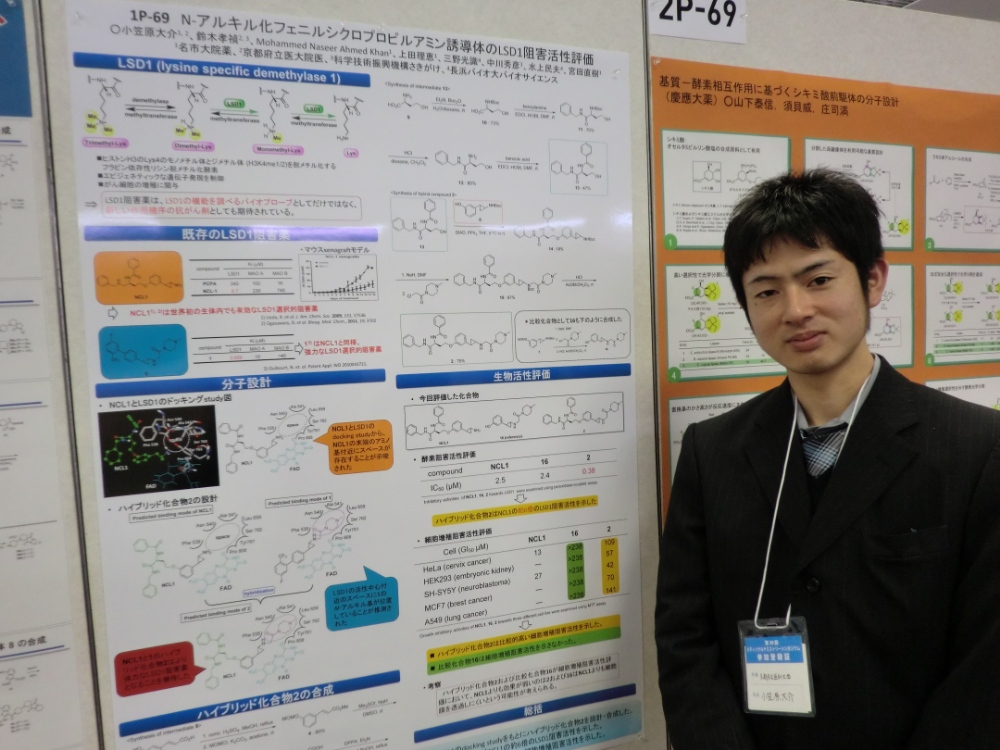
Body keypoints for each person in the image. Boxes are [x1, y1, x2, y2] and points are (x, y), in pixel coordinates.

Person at [655, 168, 1000, 749]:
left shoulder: (977, 448)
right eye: (767, 291)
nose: (795, 310)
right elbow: (684, 637)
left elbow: (986, 666)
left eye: (818, 279)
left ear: (873, 280)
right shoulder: (712, 452)